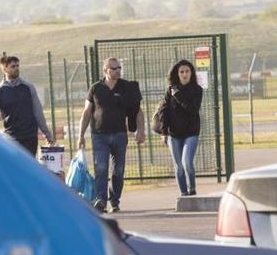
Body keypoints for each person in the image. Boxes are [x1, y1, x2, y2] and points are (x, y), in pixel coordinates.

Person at [77, 57, 144, 213]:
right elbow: (87, 113)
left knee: (118, 170)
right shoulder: (95, 88)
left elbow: (137, 111)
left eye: (119, 68)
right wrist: (81, 135)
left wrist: (141, 130)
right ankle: (100, 200)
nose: (117, 71)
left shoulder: (126, 87)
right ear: (105, 70)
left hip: (120, 134)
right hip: (99, 135)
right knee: (100, 168)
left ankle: (114, 200)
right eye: (113, 68)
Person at [154, 59, 204, 197]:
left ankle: (192, 188)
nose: (184, 74)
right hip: (173, 134)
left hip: (191, 132)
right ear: (177, 74)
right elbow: (163, 111)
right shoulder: (170, 90)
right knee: (179, 166)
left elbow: (192, 109)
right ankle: (183, 193)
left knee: (187, 162)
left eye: (187, 71)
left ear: (191, 73)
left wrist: (178, 95)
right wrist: (164, 132)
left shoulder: (197, 90)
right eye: (181, 72)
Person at [0, 55, 55, 156]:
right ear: (4, 69)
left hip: (30, 137)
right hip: (11, 139)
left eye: (17, 66)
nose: (16, 68)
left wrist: (47, 133)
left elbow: (38, 113)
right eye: (13, 66)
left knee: (28, 168)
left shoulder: (28, 87)